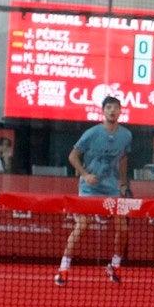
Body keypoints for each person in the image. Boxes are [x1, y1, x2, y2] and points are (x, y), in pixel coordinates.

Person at [55, 96, 133, 287]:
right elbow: (73, 156)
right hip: (89, 188)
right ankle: (63, 269)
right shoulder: (91, 133)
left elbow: (123, 158)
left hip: (112, 189)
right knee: (82, 226)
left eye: (115, 108)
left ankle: (114, 265)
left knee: (122, 228)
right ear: (103, 111)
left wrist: (123, 184)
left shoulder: (126, 135)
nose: (112, 111)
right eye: (108, 107)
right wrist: (85, 175)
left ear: (120, 111)